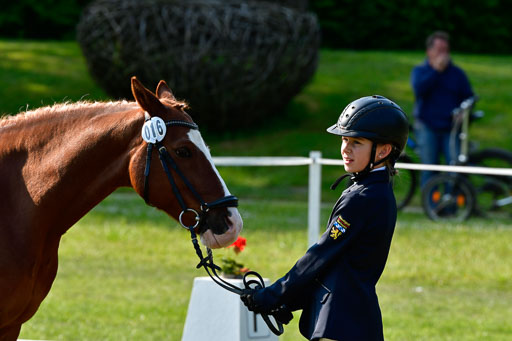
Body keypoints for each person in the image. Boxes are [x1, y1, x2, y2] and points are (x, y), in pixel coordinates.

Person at [241, 95, 409, 341]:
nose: (345, 149)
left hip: (341, 321)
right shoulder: (375, 190)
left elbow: (320, 256)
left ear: (383, 150)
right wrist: (290, 302)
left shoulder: (362, 197)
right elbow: (338, 263)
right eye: (344, 139)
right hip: (351, 321)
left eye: (357, 142)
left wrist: (273, 295)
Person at [411, 31, 474, 186]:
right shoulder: (420, 71)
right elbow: (419, 90)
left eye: (446, 50)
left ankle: (450, 206)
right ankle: (431, 206)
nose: (443, 55)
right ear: (429, 51)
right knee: (429, 168)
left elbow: (469, 97)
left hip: (450, 128)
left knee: (454, 168)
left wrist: (463, 111)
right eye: (439, 50)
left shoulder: (457, 74)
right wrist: (436, 71)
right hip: (427, 126)